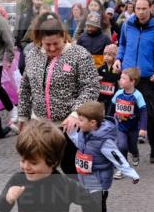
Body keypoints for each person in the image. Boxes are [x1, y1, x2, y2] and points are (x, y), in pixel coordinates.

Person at [17, 12, 100, 173]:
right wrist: (23, 117)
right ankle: (51, 197)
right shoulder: (32, 55)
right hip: (41, 126)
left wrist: (76, 113)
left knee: (71, 169)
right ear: (40, 39)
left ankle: (84, 195)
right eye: (47, 44)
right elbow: (26, 87)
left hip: (69, 127)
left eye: (56, 43)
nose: (52, 48)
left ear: (63, 36)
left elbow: (91, 87)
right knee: (41, 169)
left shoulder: (79, 54)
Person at [67, 101, 138, 212]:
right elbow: (78, 143)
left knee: (98, 209)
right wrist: (71, 133)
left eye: (81, 120)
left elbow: (117, 158)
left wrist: (131, 173)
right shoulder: (83, 132)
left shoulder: (105, 141)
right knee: (89, 207)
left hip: (100, 180)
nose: (78, 122)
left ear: (93, 123)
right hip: (85, 177)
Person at [113, 0, 154, 164]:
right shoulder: (127, 25)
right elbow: (123, 45)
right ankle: (129, 147)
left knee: (148, 114)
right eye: (138, 8)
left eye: (144, 8)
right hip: (128, 76)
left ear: (150, 8)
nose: (140, 12)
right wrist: (119, 59)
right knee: (125, 113)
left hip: (147, 78)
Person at [111, 67, 148, 168]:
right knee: (121, 146)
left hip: (133, 127)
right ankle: (123, 166)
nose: (120, 80)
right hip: (120, 126)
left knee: (132, 147)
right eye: (120, 78)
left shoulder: (137, 95)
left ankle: (135, 154)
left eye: (123, 78)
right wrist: (108, 120)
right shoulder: (118, 93)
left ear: (132, 82)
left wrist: (143, 128)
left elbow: (143, 112)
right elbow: (112, 107)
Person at [97, 43, 120, 112]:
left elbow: (119, 79)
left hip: (112, 96)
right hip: (101, 95)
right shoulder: (101, 68)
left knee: (110, 111)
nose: (106, 57)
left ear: (115, 56)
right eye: (105, 54)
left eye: (109, 55)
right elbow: (95, 77)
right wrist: (98, 78)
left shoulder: (117, 69)